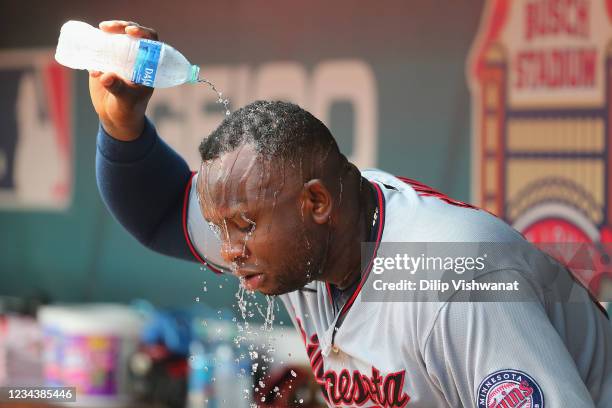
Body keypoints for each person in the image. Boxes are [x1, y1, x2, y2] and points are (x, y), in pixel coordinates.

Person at [90, 20, 612, 408]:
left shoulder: (453, 279)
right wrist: (121, 124)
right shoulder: (299, 237)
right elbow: (159, 213)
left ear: (316, 204)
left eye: (243, 226)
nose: (228, 250)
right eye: (223, 228)